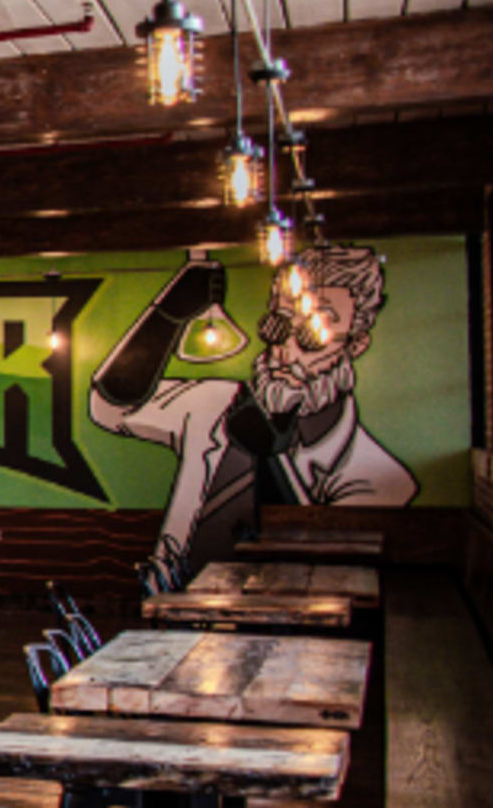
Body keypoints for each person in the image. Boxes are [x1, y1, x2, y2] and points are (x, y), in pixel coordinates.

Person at [89, 244, 416, 592]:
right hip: (175, 611)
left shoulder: (375, 478)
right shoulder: (214, 405)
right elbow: (110, 408)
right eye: (279, 324)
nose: (287, 350)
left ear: (356, 344)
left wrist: (274, 443)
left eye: (313, 333)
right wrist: (168, 314)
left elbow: (324, 578)